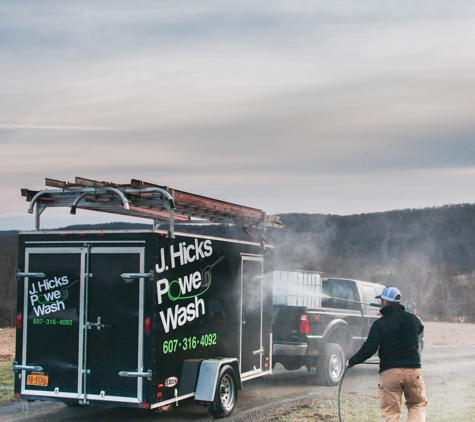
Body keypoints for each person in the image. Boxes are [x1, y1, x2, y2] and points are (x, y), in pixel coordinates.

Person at [346, 286, 427, 422]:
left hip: (390, 373)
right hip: (414, 372)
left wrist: (351, 361)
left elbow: (369, 349)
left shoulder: (379, 324)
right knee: (416, 405)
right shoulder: (413, 320)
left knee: (391, 412)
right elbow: (420, 327)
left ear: (385, 303)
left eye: (381, 300)